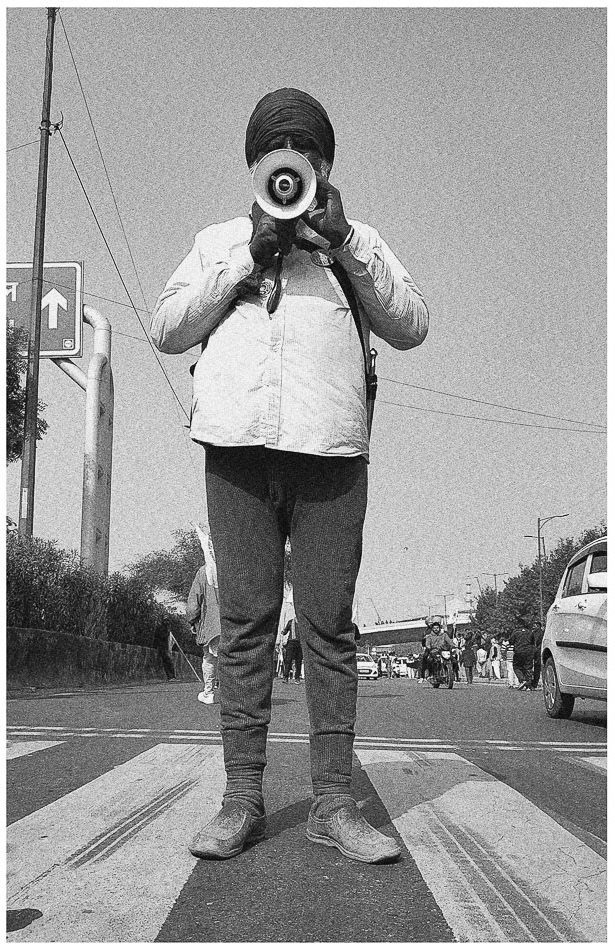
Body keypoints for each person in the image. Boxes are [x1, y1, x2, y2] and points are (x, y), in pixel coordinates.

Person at [151, 87, 428, 864]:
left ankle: (333, 804)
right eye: (276, 147)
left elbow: (409, 324)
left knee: (329, 630)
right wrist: (252, 253)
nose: (292, 158)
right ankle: (241, 799)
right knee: (241, 627)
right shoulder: (216, 241)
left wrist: (343, 244)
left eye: (305, 146)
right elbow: (168, 328)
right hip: (236, 452)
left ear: (325, 162)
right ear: (255, 165)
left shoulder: (357, 240)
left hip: (332, 459)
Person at [186, 562, 221, 704]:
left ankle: (209, 692)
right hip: (234, 623)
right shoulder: (235, 564)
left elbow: (194, 601)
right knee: (232, 658)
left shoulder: (204, 570)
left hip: (212, 623)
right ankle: (232, 694)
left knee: (210, 658)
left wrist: (192, 620)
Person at [509, 624, 536, 689]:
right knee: (528, 667)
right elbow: (533, 642)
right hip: (529, 651)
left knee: (516, 666)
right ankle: (529, 684)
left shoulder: (515, 632)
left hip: (519, 651)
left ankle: (522, 679)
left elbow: (511, 642)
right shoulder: (530, 632)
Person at [282, 613, 303, 683]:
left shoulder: (302, 623)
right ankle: (285, 677)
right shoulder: (291, 622)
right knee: (288, 660)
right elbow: (285, 631)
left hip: (300, 643)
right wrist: (283, 632)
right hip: (291, 642)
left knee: (298, 661)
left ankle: (297, 678)